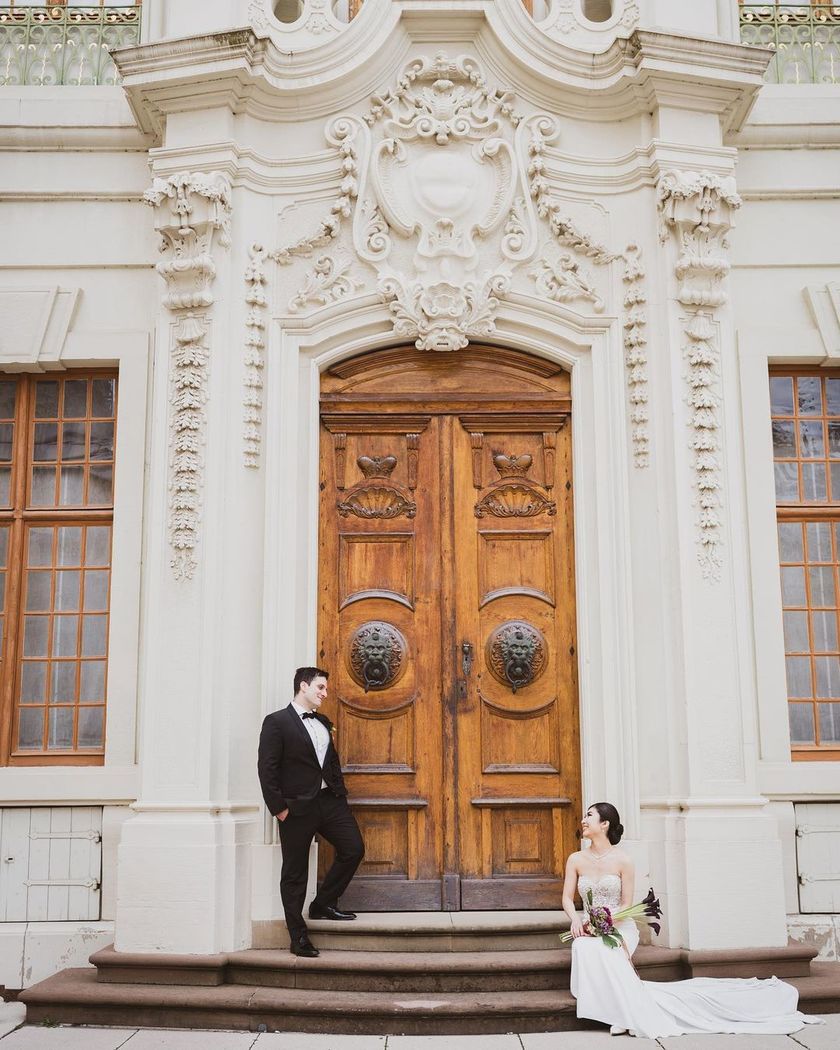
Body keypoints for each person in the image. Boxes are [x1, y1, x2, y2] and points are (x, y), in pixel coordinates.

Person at [562, 802, 822, 1039]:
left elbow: (626, 906)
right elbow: (566, 898)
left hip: (619, 926)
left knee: (607, 950)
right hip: (589, 926)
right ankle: (620, 1011)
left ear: (604, 824)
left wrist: (605, 924)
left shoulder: (624, 860)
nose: (583, 820)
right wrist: (577, 920)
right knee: (583, 946)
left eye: (589, 816)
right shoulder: (576, 859)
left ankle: (625, 1013)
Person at [258, 666, 365, 958]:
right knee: (295, 873)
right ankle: (298, 936)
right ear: (303, 686)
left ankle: (323, 904)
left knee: (353, 848)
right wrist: (279, 809)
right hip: (295, 808)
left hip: (329, 802)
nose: (325, 693)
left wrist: (339, 793)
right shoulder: (277, 722)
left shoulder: (323, 722)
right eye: (320, 687)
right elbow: (267, 769)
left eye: (326, 688)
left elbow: (330, 762)